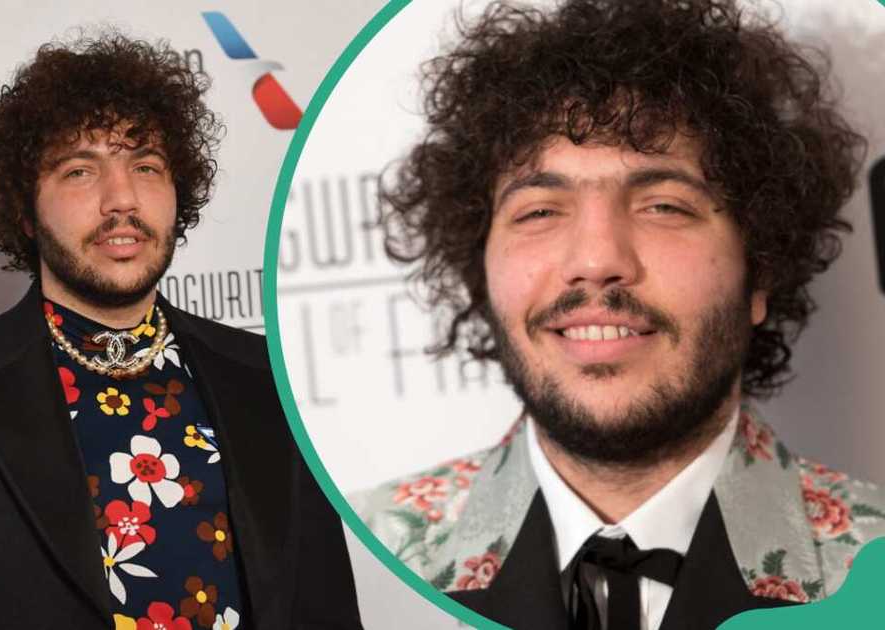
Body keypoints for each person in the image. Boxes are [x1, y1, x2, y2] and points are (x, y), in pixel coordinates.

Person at [355, 1, 885, 628]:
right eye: (540, 211)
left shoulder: (868, 563)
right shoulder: (358, 556)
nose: (596, 259)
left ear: (759, 272)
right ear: (483, 270)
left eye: (663, 205)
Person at [0, 34, 362, 630]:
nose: (122, 199)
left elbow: (328, 611)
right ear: (24, 210)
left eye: (145, 166)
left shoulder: (268, 376)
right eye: (81, 171)